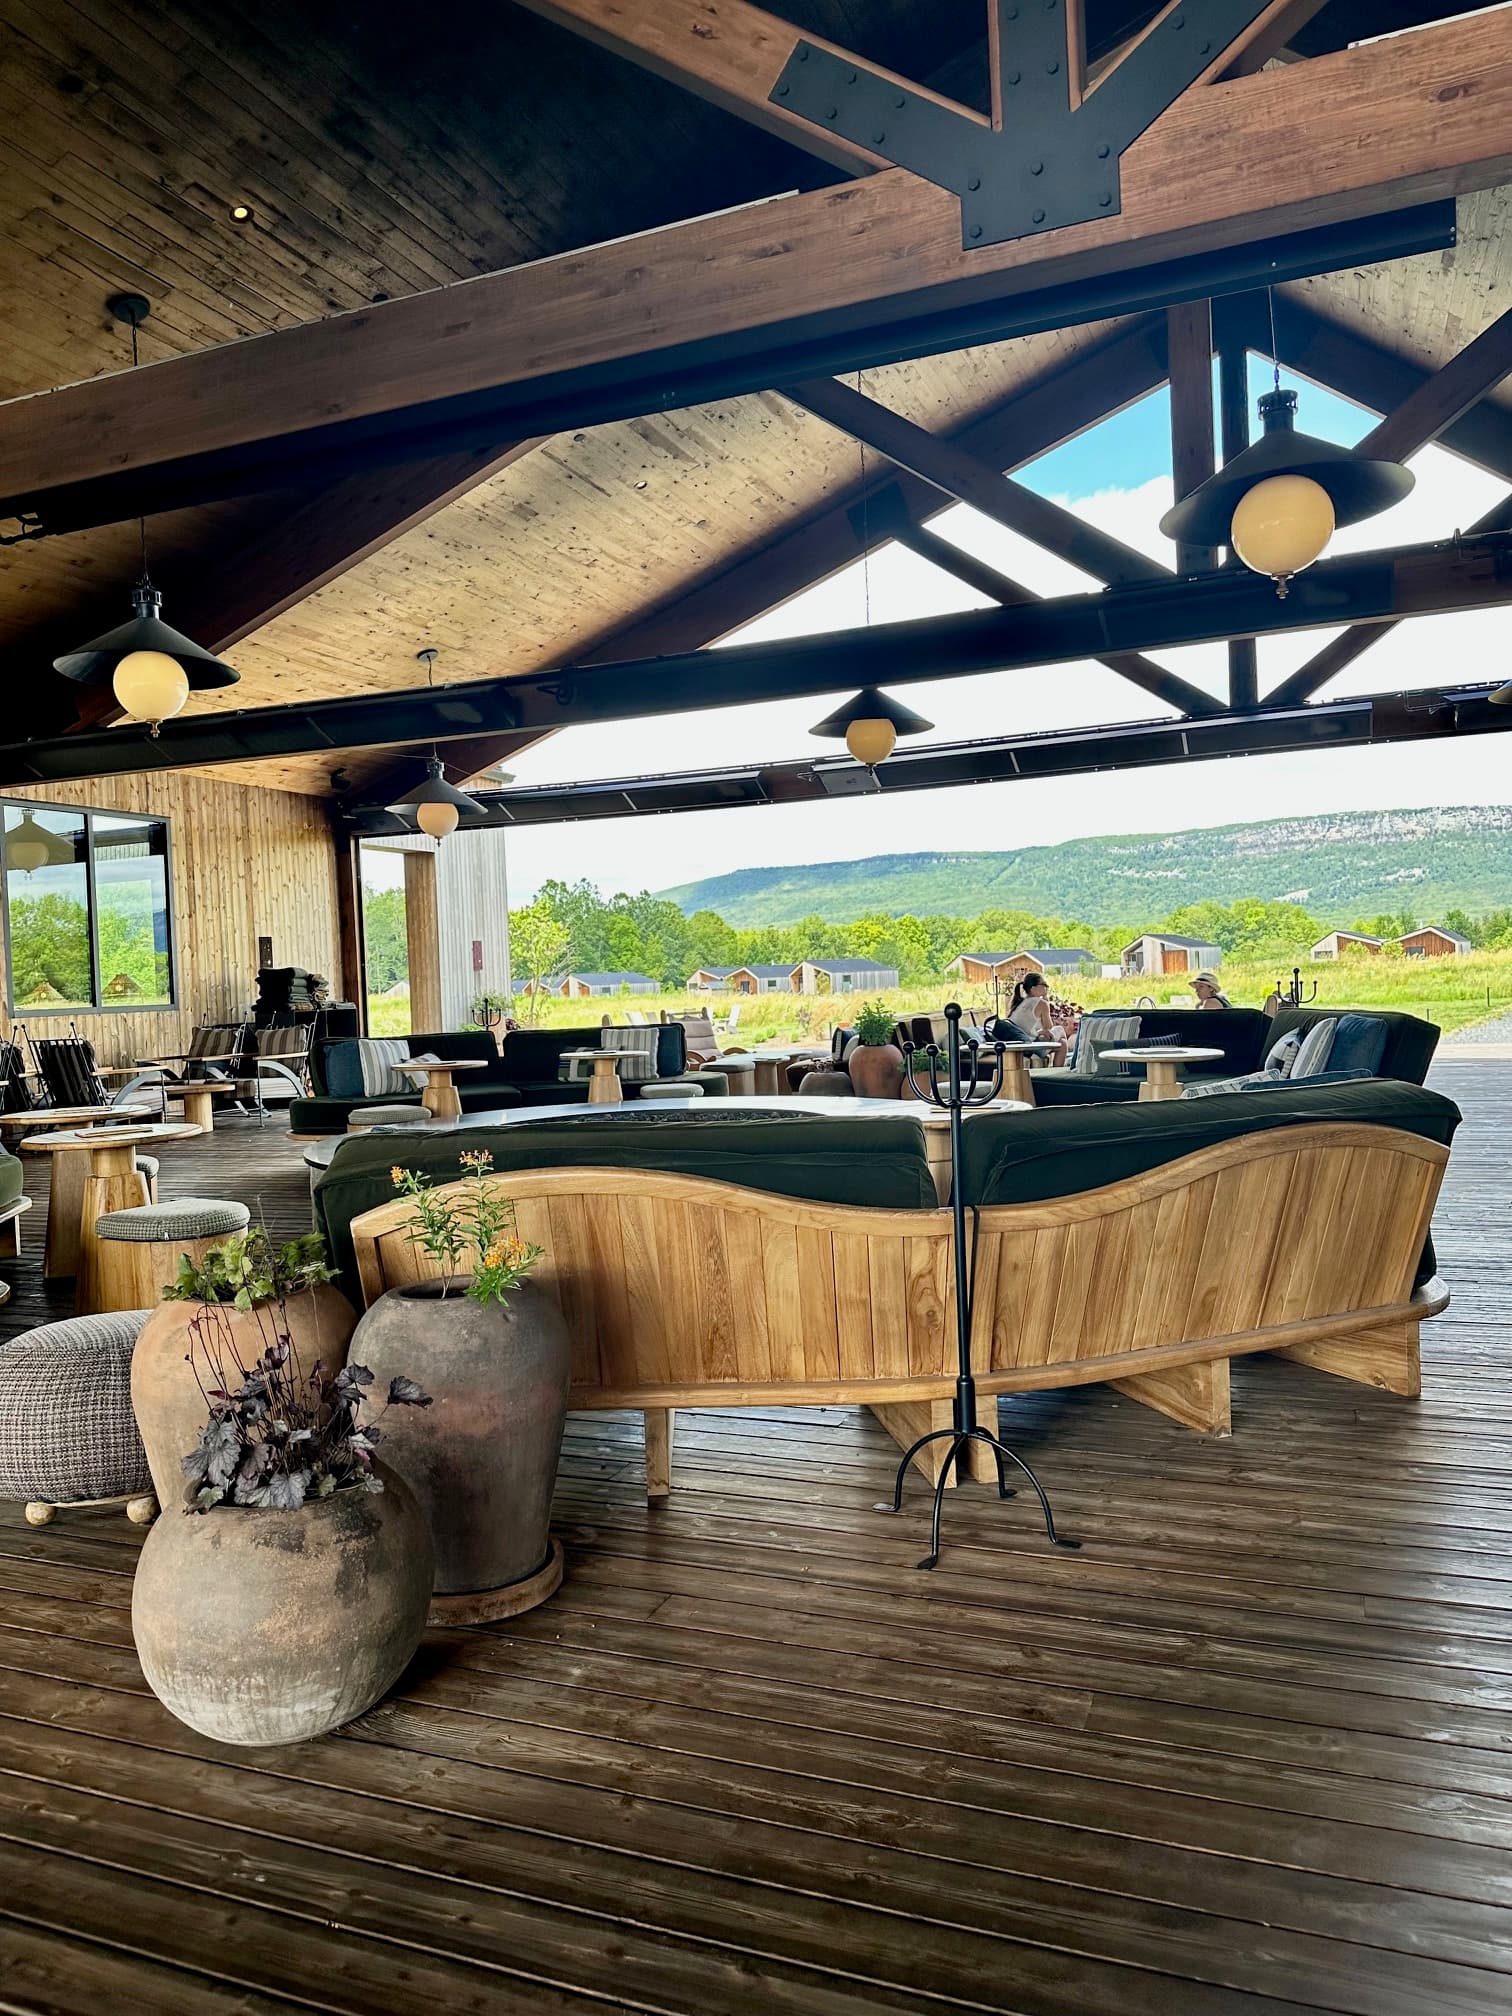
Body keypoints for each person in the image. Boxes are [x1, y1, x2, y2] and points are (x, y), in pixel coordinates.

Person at [1001, 973, 1067, 1067]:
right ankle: (1058, 1075)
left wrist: (1040, 1032)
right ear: (1033, 988)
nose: (1046, 987)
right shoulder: (1042, 1004)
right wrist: (1045, 998)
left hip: (1022, 1043)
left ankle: (1055, 1073)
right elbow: (1049, 1027)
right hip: (1030, 1046)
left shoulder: (1019, 1003)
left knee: (1062, 1043)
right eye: (1044, 984)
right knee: (1060, 1032)